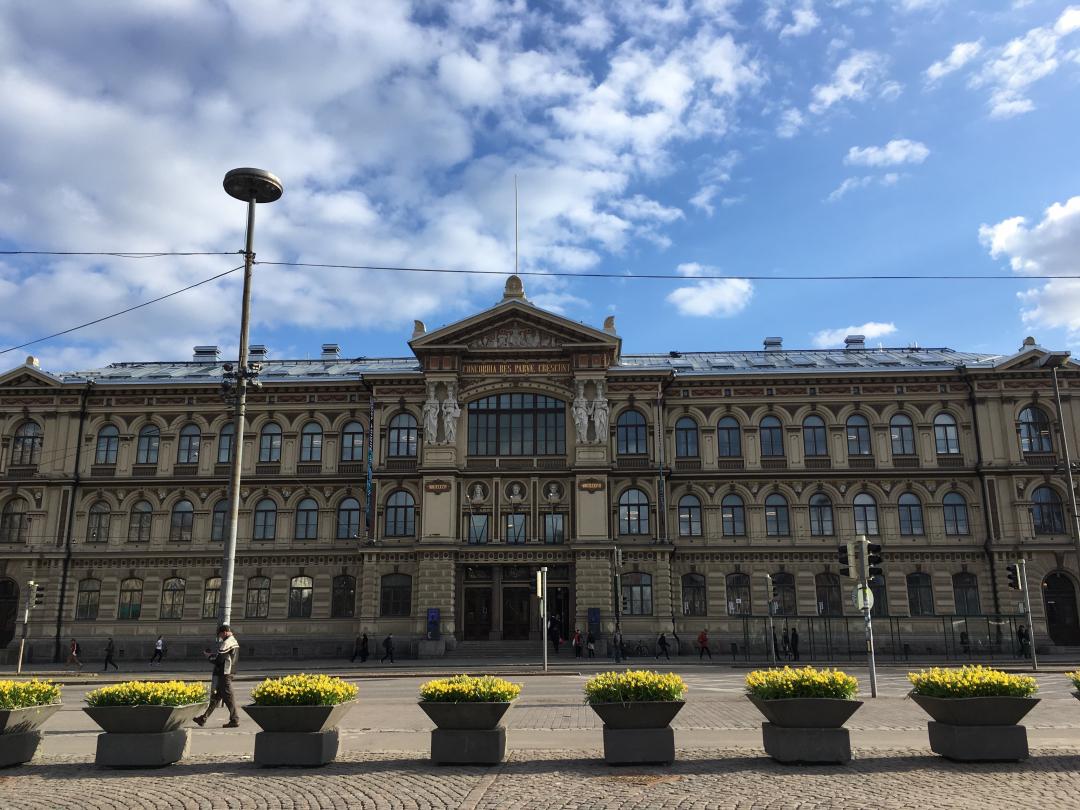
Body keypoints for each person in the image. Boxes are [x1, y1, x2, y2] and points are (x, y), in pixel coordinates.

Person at [193, 624, 240, 728]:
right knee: (216, 697)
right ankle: (203, 718)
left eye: (220, 635)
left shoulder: (226, 643)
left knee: (228, 698)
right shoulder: (234, 641)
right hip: (229, 672)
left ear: (225, 632)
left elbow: (219, 660)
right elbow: (223, 657)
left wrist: (209, 657)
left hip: (225, 673)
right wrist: (214, 655)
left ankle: (235, 719)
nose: (220, 637)